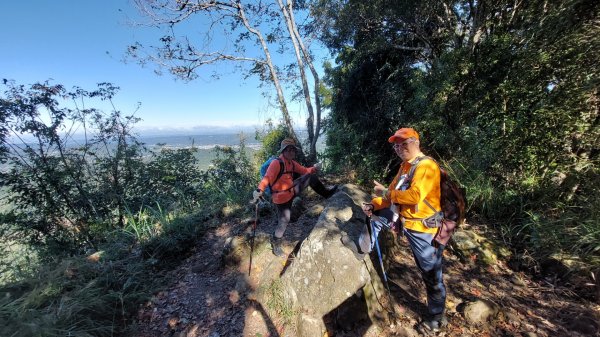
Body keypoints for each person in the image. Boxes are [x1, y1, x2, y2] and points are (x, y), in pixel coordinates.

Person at [341, 127, 447, 332]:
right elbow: (391, 195)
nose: (399, 148)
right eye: (396, 145)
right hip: (406, 220)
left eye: (404, 143)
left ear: (416, 142)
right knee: (377, 217)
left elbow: (414, 196)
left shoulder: (426, 166)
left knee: (431, 272)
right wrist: (374, 204)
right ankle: (362, 248)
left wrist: (386, 193)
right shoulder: (405, 167)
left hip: (424, 229)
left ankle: (436, 318)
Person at [253, 138, 338, 257]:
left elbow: (304, 171)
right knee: (284, 221)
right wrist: (259, 190)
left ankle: (327, 194)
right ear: (283, 151)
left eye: (293, 150)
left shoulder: (291, 163)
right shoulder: (276, 163)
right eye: (288, 150)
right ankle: (275, 242)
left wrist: (315, 168)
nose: (291, 152)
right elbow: (266, 178)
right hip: (280, 197)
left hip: (291, 191)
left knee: (310, 177)